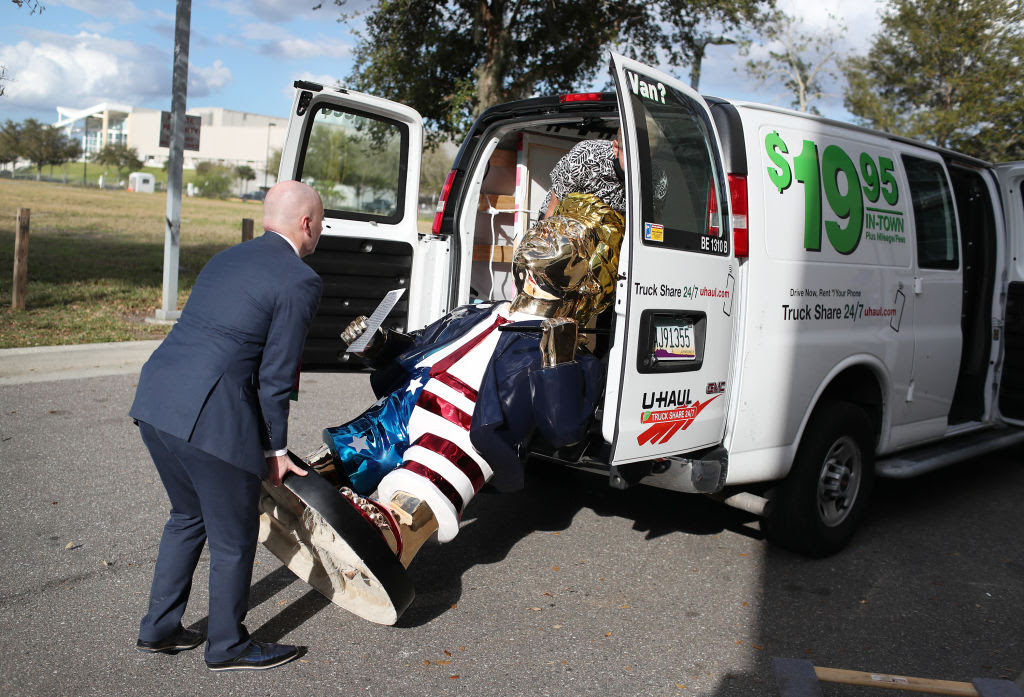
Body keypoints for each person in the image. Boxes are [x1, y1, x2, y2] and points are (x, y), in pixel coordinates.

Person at [256, 193, 624, 623]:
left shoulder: (573, 353)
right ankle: (305, 487)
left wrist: (557, 362)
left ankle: (388, 534)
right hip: (408, 400)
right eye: (547, 225)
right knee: (352, 448)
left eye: (567, 236)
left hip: (463, 431)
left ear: (585, 277)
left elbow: (565, 432)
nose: (547, 230)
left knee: (432, 473)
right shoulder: (477, 310)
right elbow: (422, 346)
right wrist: (380, 345)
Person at [129, 180, 324, 671]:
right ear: (306, 223)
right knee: (234, 535)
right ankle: (227, 645)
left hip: (156, 400)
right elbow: (275, 376)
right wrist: (275, 450)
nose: (320, 231)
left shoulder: (225, 259)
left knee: (187, 516)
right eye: (320, 222)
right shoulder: (299, 279)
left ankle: (160, 628)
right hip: (210, 417)